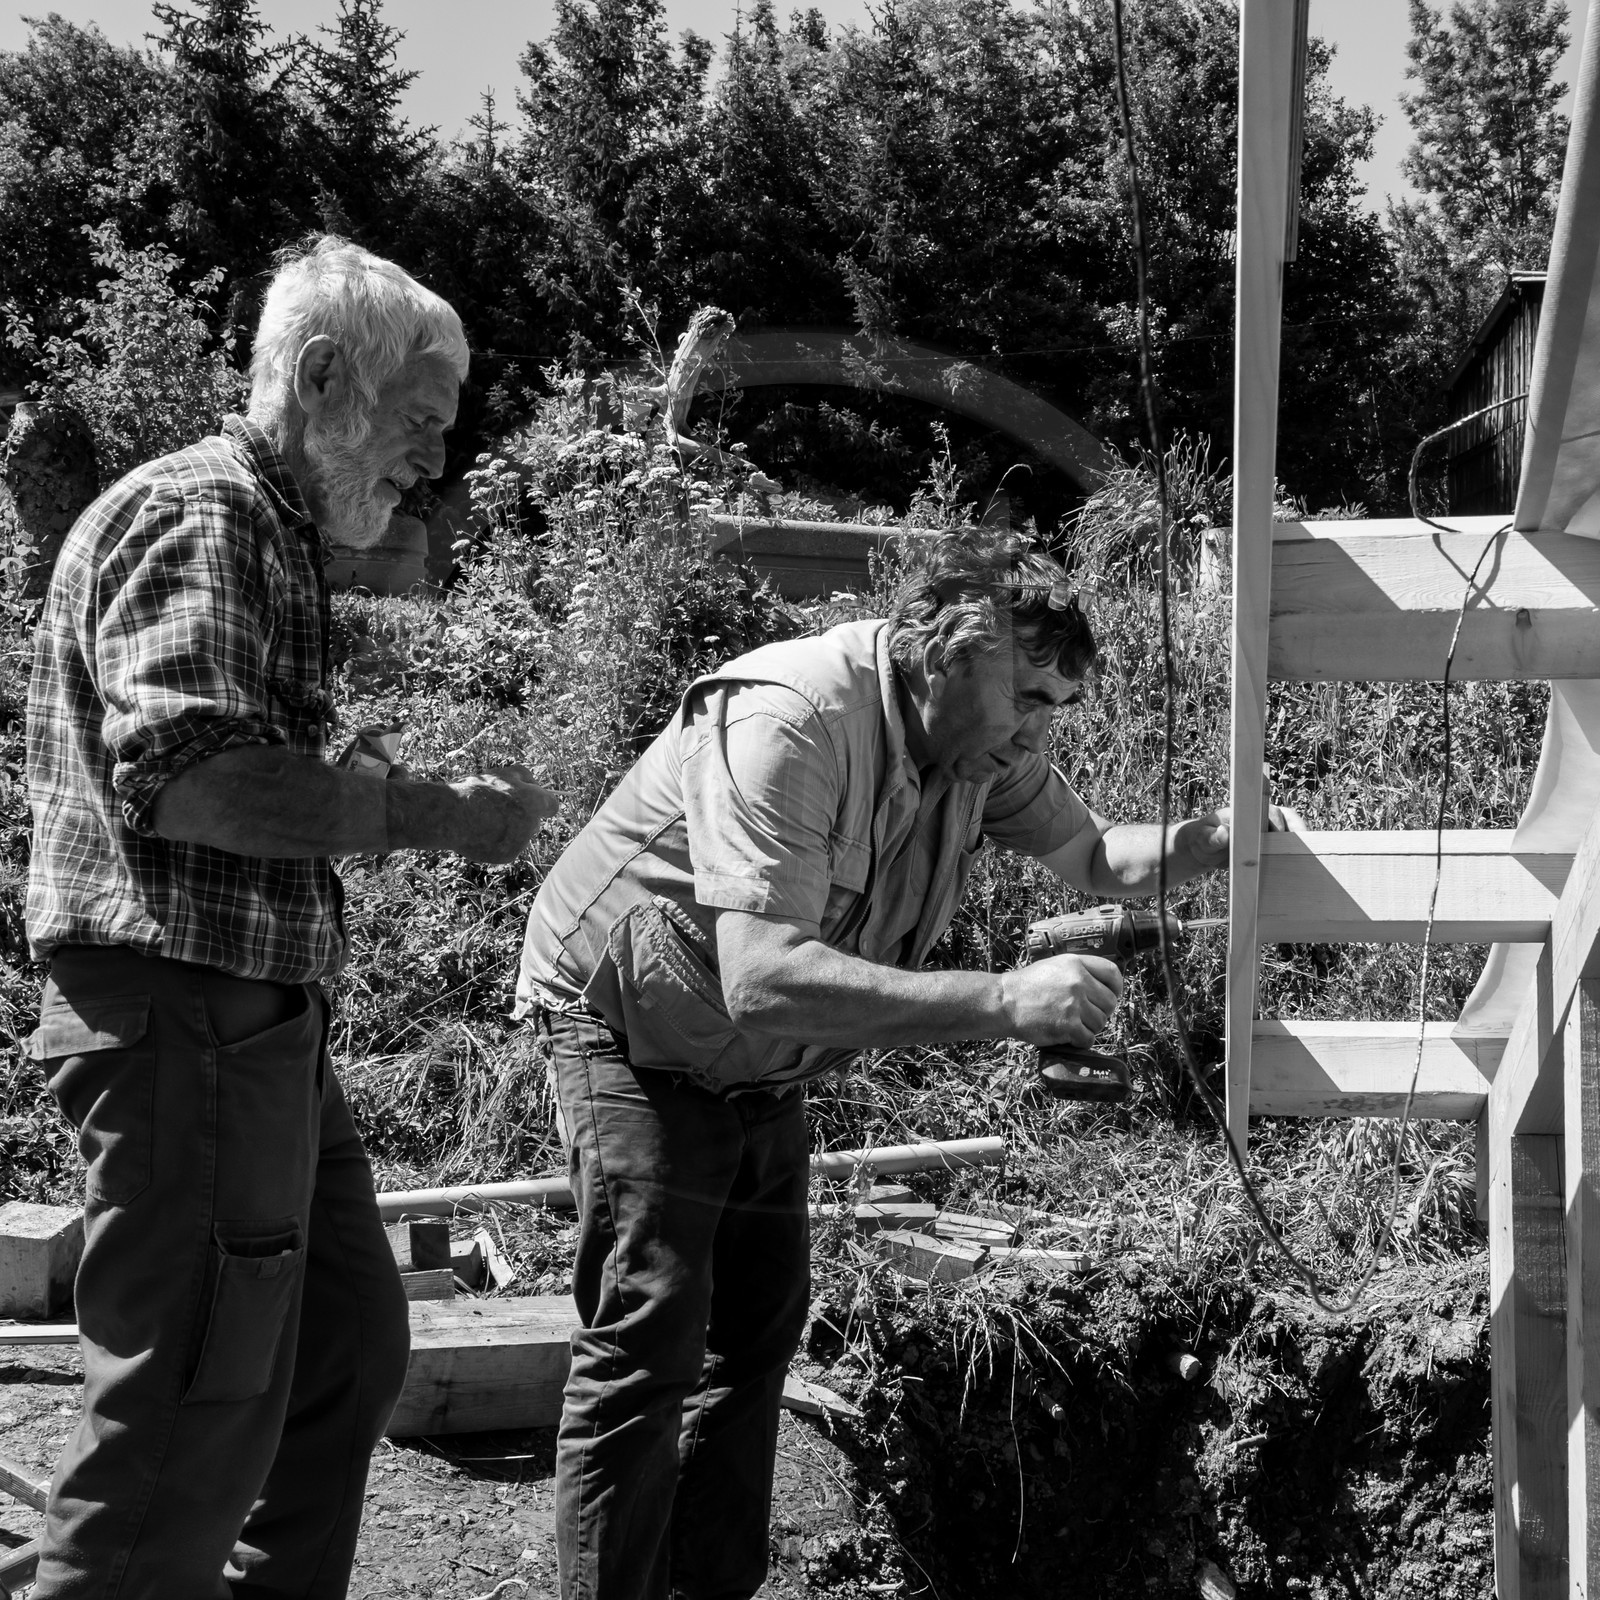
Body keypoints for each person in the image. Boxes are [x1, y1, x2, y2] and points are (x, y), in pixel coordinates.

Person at [514, 527, 1280, 1600]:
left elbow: (1097, 855)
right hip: (629, 1017)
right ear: (946, 654)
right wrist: (1007, 1002)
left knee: (755, 1333)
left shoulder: (978, 745)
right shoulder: (791, 720)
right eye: (1030, 695)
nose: (1038, 732)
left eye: (1057, 703)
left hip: (753, 1050)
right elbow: (765, 974)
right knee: (649, 1336)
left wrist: (1204, 839)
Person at [23, 236, 556, 1599]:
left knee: (341, 1354)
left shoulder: (266, 527)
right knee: (187, 1418)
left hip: (250, 1030)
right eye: (420, 422)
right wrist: (428, 809)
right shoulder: (211, 515)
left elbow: (222, 756)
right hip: (184, 1019)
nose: (432, 462)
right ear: (324, 376)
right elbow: (192, 779)